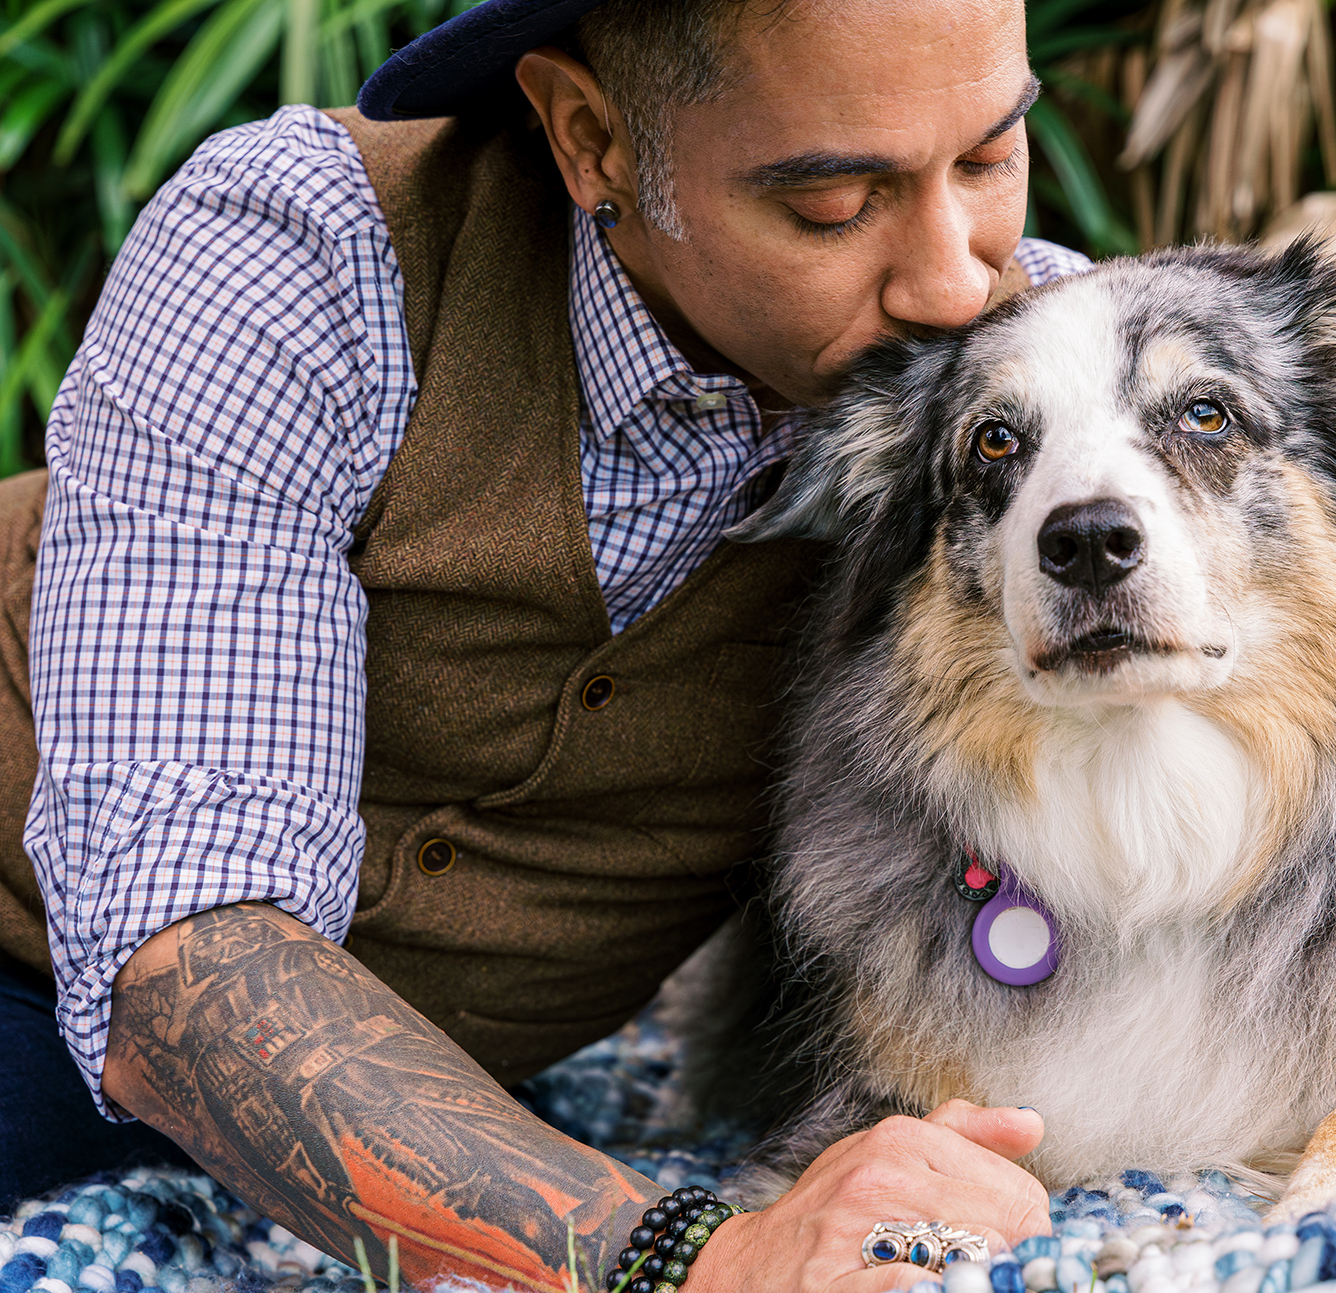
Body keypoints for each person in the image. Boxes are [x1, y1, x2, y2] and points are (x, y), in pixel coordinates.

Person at [0, 0, 1078, 1287]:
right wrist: (684, 1261)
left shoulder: (1036, 405)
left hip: (447, 1120)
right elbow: (181, 944)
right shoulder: (300, 252)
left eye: (988, 157)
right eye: (835, 202)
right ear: (594, 141)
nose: (955, 281)